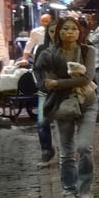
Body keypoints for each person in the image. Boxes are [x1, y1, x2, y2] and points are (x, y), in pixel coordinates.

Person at [34, 17, 97, 198]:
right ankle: (69, 190)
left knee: (84, 147)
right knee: (66, 151)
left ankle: (85, 188)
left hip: (87, 101)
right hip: (61, 104)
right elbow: (37, 73)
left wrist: (57, 83)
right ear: (58, 32)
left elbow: (86, 78)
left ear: (80, 32)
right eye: (65, 29)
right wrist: (45, 85)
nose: (70, 32)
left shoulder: (88, 51)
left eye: (74, 29)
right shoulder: (48, 53)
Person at [34, 19, 57, 167]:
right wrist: (42, 84)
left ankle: (67, 152)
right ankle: (46, 150)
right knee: (42, 122)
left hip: (64, 89)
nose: (54, 34)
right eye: (51, 31)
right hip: (45, 91)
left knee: (67, 120)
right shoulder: (42, 48)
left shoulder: (68, 48)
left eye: (56, 31)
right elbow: (37, 69)